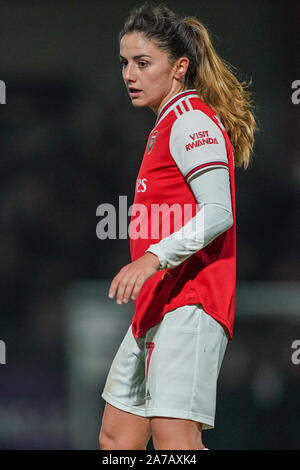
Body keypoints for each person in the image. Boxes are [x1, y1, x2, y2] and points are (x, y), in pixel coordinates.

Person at [99, 2, 257, 450]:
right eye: (125, 63)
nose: (129, 74)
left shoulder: (190, 120)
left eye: (143, 63)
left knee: (175, 443)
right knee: (118, 438)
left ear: (179, 67)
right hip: (157, 304)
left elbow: (218, 211)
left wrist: (151, 258)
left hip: (192, 301)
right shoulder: (165, 123)